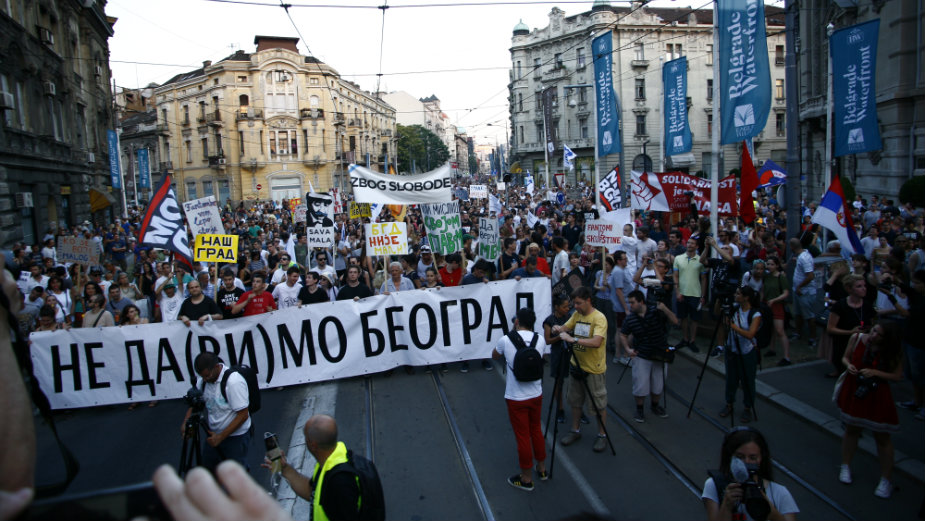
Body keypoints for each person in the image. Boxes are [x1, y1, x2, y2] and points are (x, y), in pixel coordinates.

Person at [271, 414, 384, 521]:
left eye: (306, 438)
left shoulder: (340, 482)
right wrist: (285, 468)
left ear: (313, 445)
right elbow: (313, 493)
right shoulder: (332, 461)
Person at [836, 322, 904, 498]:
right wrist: (848, 365)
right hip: (855, 388)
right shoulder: (857, 338)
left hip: (877, 393)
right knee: (851, 429)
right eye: (873, 330)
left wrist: (876, 373)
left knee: (882, 437)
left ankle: (886, 479)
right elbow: (845, 357)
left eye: (878, 334)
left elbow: (897, 376)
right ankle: (846, 465)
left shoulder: (892, 349)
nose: (873, 335)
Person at [492, 308, 550, 491]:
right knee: (536, 431)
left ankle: (526, 478)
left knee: (522, 436)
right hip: (536, 393)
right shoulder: (539, 339)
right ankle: (541, 468)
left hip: (516, 397)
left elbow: (495, 355)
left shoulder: (506, 340)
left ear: (517, 321)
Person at [701, 427, 799, 521]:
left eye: (752, 457)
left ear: (761, 459)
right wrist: (727, 505)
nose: (746, 462)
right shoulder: (714, 485)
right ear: (730, 457)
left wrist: (770, 510)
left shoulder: (780, 493)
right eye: (740, 457)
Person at [554, 286, 609, 452]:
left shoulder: (599, 318)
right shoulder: (576, 315)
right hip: (576, 365)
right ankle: (575, 430)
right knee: (575, 401)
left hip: (593, 369)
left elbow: (596, 342)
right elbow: (566, 327)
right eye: (574, 303)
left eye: (578, 303)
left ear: (588, 301)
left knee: (599, 404)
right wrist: (558, 328)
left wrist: (573, 339)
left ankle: (602, 435)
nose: (575, 306)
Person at [182, 352, 253, 474]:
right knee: (208, 472)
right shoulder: (203, 382)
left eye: (207, 375)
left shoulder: (233, 382)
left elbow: (243, 415)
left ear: (216, 367)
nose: (205, 379)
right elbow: (196, 403)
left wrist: (220, 437)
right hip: (214, 435)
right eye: (202, 376)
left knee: (236, 477)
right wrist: (186, 422)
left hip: (236, 437)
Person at [620, 290, 679, 423]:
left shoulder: (656, 312)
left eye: (632, 302)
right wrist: (628, 349)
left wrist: (665, 308)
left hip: (660, 354)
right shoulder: (630, 319)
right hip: (642, 355)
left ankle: (655, 406)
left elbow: (675, 321)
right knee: (640, 384)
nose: (630, 305)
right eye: (629, 303)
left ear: (641, 302)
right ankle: (640, 409)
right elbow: (623, 334)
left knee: (658, 383)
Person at [719, 287, 763, 423]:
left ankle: (747, 407)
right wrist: (718, 300)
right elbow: (717, 315)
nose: (735, 295)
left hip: (747, 351)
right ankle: (729, 403)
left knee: (747, 380)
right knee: (731, 378)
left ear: (746, 297)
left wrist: (733, 327)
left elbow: (751, 334)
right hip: (732, 349)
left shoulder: (755, 314)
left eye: (738, 293)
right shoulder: (733, 308)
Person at [826, 274, 876, 377]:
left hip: (862, 343)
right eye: (859, 286)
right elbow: (830, 328)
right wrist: (851, 332)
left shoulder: (867, 305)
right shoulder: (840, 306)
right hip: (843, 343)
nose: (864, 289)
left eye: (864, 286)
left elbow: (873, 323)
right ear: (849, 289)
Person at [544, 294, 573, 424]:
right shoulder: (549, 321)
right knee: (559, 382)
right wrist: (560, 337)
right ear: (557, 307)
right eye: (564, 306)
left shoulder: (570, 317)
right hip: (558, 353)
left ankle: (578, 410)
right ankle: (560, 408)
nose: (567, 309)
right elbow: (548, 340)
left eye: (568, 306)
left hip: (571, 353)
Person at [673, 238, 706, 353]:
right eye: (688, 242)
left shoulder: (701, 260)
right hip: (682, 293)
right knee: (683, 317)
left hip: (695, 294)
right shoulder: (678, 258)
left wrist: (703, 295)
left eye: (692, 243)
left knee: (694, 319)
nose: (689, 245)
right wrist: (677, 292)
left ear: (697, 246)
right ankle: (685, 338)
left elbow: (703, 278)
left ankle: (692, 340)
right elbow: (675, 276)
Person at [762, 256, 792, 365]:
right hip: (767, 305)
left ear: (777, 266)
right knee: (771, 329)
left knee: (780, 330)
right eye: (768, 264)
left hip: (777, 305)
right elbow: (763, 290)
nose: (769, 266)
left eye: (772, 264)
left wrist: (774, 300)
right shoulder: (766, 276)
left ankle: (787, 357)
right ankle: (772, 349)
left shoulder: (781, 277)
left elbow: (786, 293)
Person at [789, 237, 817, 347]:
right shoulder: (802, 256)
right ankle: (798, 333)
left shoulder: (803, 258)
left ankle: (813, 337)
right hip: (799, 291)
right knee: (798, 314)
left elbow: (810, 276)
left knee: (809, 316)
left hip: (805, 292)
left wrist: (800, 286)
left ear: (792, 247)